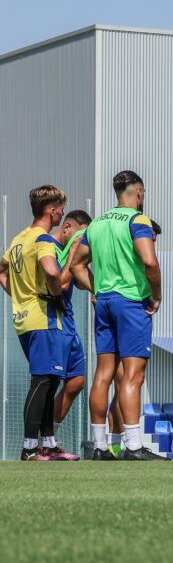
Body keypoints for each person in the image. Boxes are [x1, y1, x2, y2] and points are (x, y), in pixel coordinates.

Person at [71, 172, 166, 461]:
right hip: (131, 303)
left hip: (105, 303)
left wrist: (97, 289)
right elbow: (150, 262)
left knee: (103, 374)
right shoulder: (138, 221)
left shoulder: (97, 223)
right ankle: (134, 446)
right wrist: (156, 295)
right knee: (133, 375)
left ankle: (100, 446)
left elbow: (76, 265)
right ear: (139, 192)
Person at [1, 186, 70, 461]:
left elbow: (2, 270)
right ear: (51, 211)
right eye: (61, 209)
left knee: (50, 380)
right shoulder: (42, 238)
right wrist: (57, 294)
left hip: (24, 317)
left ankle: (48, 444)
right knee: (42, 381)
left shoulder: (19, 238)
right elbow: (51, 271)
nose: (62, 214)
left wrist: (18, 295)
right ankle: (29, 448)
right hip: (42, 317)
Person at [50, 209, 91, 458]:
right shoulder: (49, 248)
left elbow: (78, 277)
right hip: (52, 323)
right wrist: (75, 249)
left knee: (76, 382)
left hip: (69, 324)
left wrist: (98, 289)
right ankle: (41, 442)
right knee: (49, 382)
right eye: (79, 235)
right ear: (67, 228)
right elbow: (62, 283)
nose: (80, 241)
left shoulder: (69, 252)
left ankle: (49, 437)